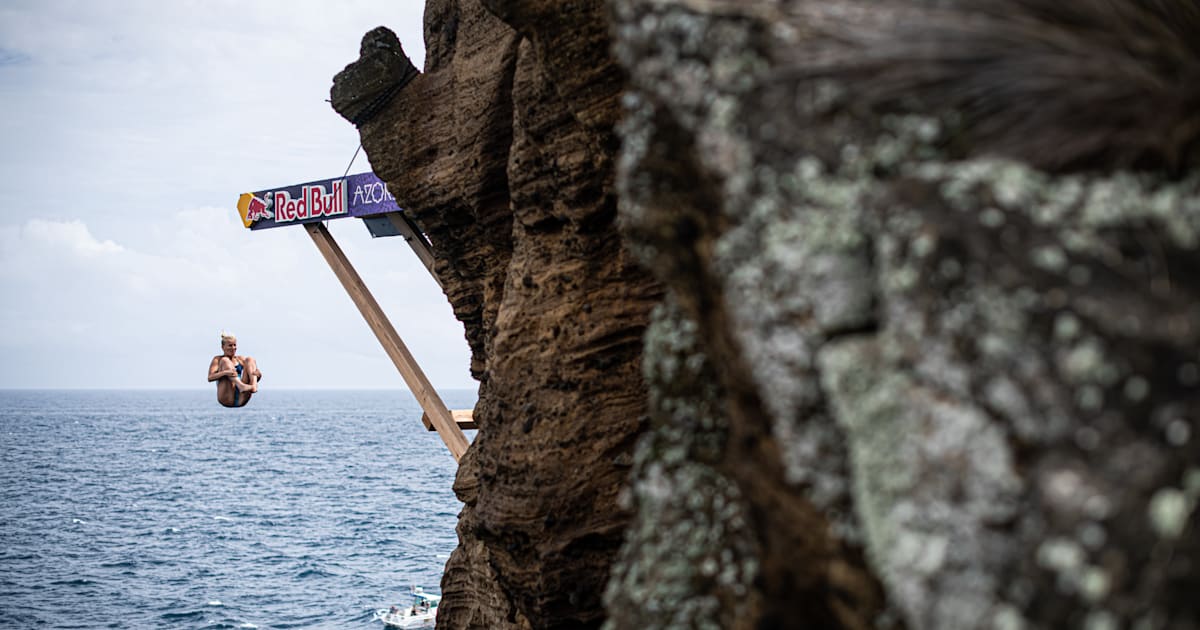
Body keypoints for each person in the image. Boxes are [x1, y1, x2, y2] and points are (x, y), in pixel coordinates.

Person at [207, 332, 262, 408]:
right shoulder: (218, 359)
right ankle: (240, 385)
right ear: (223, 347)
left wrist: (258, 375)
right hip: (227, 398)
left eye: (234, 345)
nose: (233, 348)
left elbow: (255, 374)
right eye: (230, 345)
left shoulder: (240, 359)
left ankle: (254, 386)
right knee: (225, 360)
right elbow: (210, 377)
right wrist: (225, 372)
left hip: (241, 398)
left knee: (250, 359)